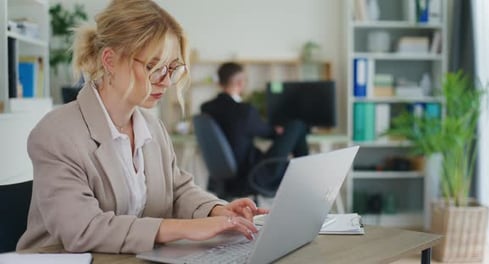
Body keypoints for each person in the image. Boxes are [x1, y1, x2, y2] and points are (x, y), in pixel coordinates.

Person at [16, 0, 267, 254]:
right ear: (110, 60)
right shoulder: (56, 134)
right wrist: (186, 228)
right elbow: (83, 229)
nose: (167, 81)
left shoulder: (151, 127)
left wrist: (219, 211)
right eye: (154, 67)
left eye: (172, 68)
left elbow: (178, 190)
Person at [201, 62, 309, 194]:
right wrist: (276, 130)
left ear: (220, 82)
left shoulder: (206, 108)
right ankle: (306, 179)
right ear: (240, 82)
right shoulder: (244, 111)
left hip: (223, 180)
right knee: (298, 125)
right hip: (251, 174)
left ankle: (305, 177)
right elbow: (268, 132)